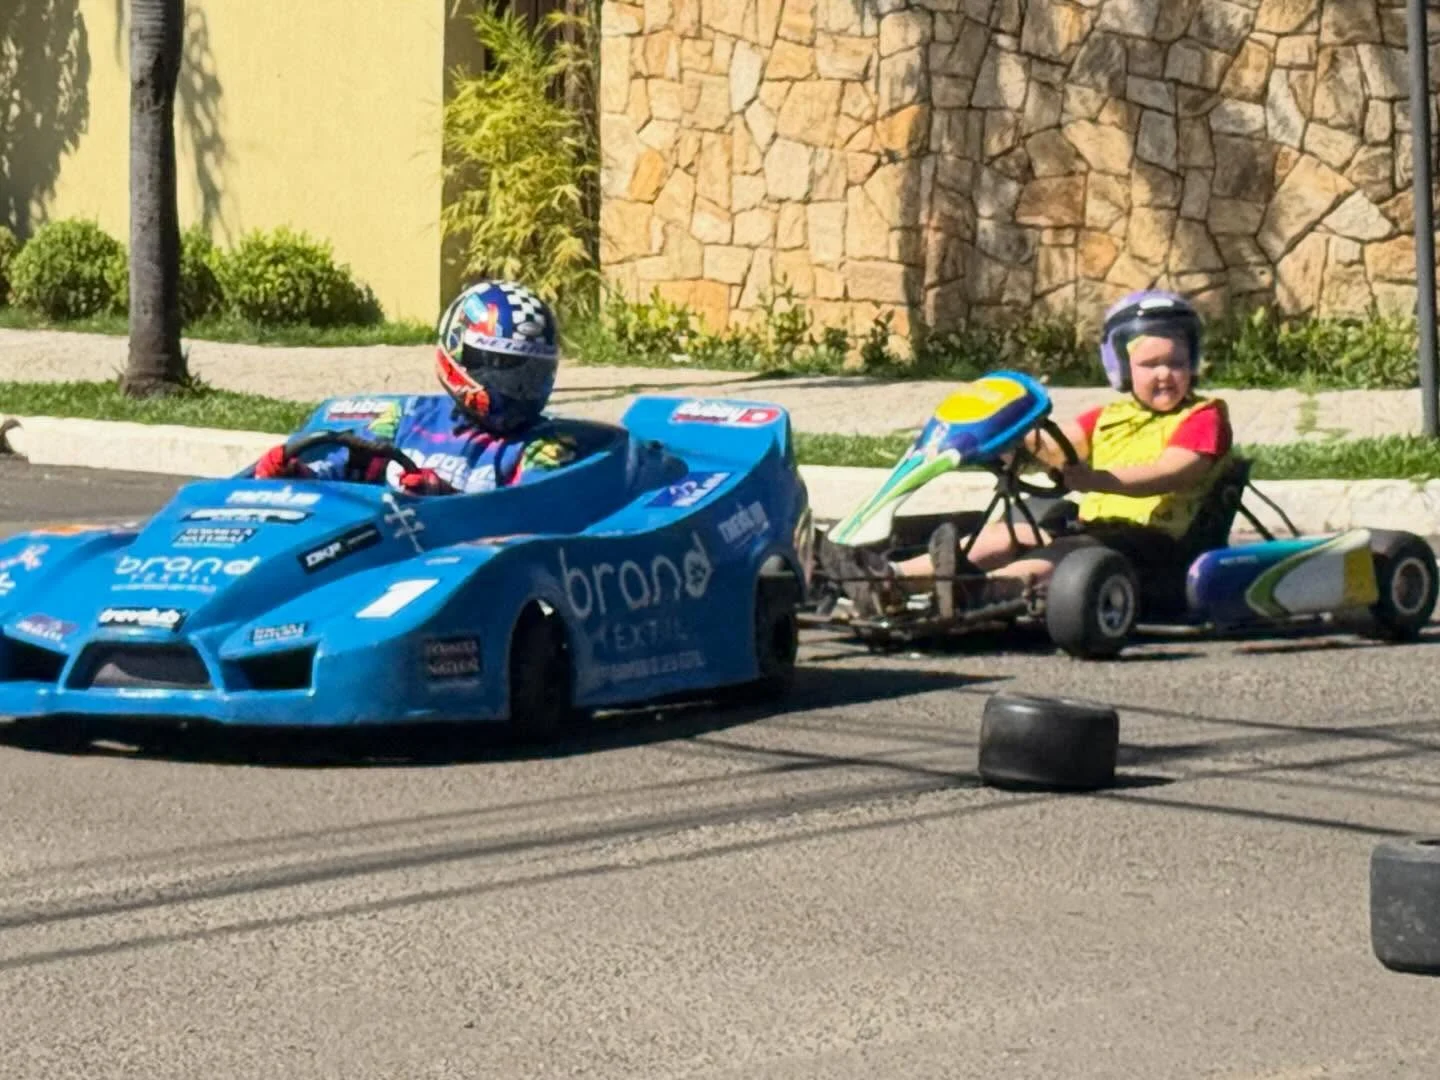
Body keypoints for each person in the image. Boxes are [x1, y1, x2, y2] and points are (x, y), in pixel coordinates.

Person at [816, 289, 1234, 617]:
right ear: (1122, 368)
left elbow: (1173, 471)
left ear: (1192, 363)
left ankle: (983, 590)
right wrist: (1007, 437)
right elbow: (1054, 448)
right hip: (1100, 530)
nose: (1164, 374)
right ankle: (889, 580)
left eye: (1176, 362)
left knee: (1066, 553)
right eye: (1149, 364)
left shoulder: (1204, 416)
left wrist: (1096, 481)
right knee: (1010, 533)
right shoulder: (1108, 417)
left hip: (1160, 545)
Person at [253, 280, 583, 493]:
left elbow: (530, 515)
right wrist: (299, 475)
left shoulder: (543, 446)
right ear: (458, 357)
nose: (519, 390)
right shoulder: (407, 417)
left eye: (532, 376)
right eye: (505, 372)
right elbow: (346, 468)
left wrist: (444, 499)